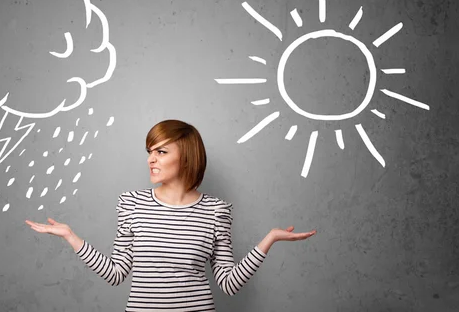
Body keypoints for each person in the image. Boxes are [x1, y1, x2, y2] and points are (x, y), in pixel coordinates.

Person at [26, 119, 316, 311]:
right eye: (150, 151)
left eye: (162, 152)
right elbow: (116, 274)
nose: (151, 159)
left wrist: (270, 239)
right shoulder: (131, 203)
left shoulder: (216, 211)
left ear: (186, 157)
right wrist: (70, 236)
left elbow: (229, 283)